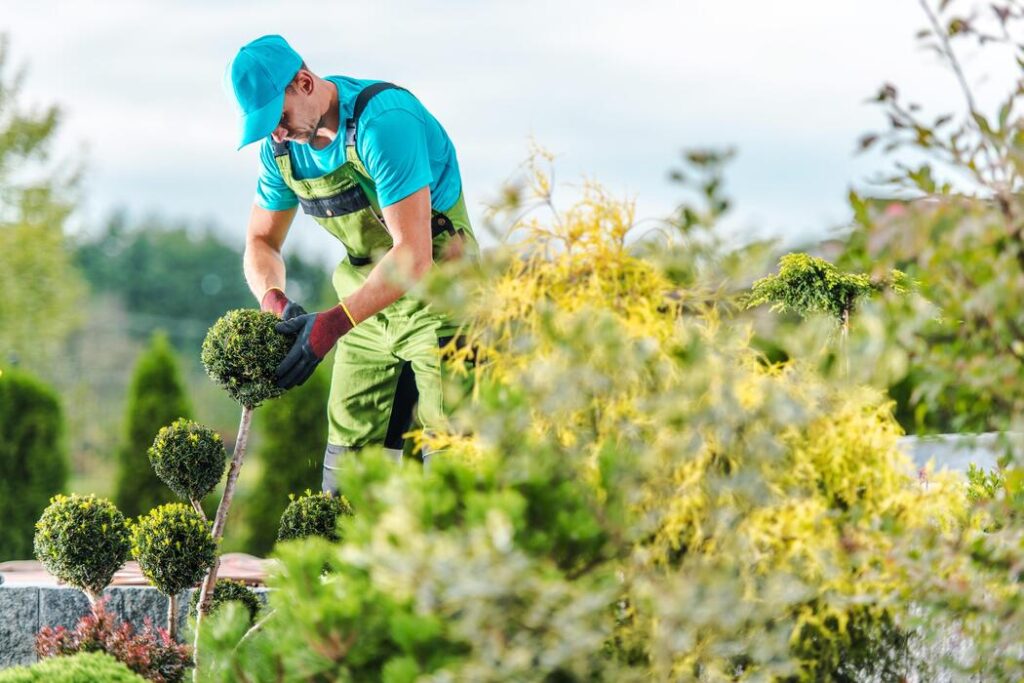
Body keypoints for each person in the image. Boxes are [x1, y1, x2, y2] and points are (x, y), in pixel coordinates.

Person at [226, 35, 478, 493]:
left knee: (452, 467)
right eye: (266, 126)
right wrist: (273, 299)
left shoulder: (384, 124)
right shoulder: (281, 152)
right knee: (346, 475)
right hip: (366, 305)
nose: (277, 133)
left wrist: (332, 325)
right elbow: (261, 240)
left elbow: (413, 255)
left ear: (304, 83)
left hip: (443, 294)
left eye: (278, 118)